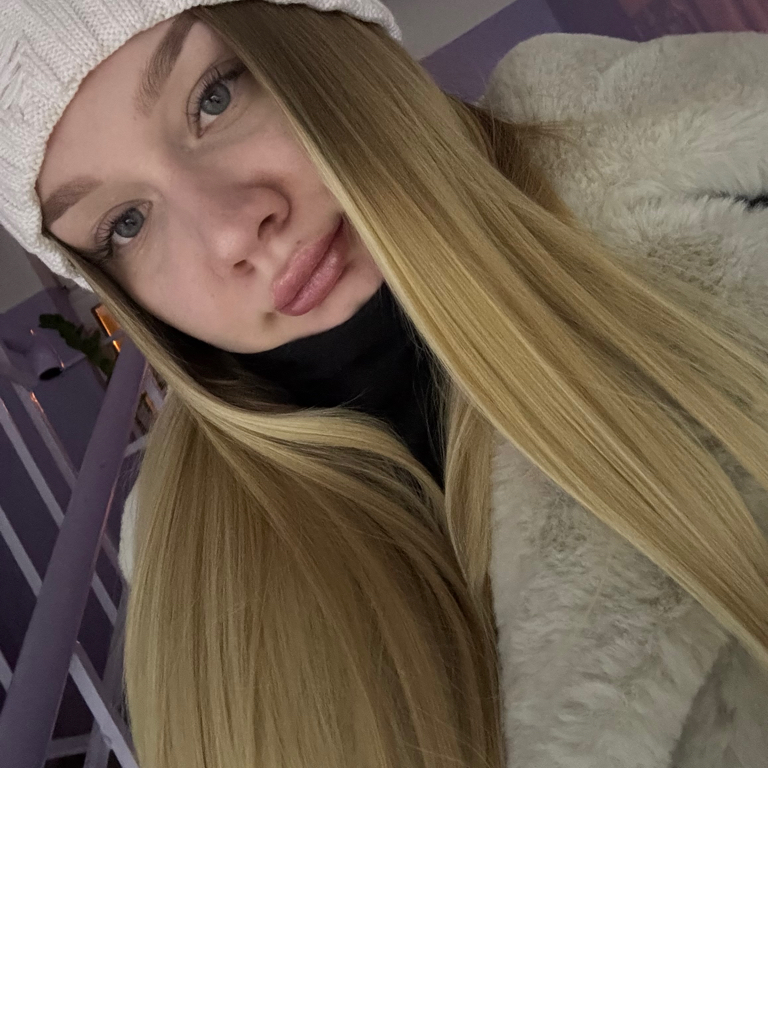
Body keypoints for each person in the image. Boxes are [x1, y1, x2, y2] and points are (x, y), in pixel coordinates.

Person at [3, 0, 768, 767]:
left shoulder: (712, 167)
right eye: (127, 223)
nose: (232, 230)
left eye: (215, 96)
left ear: (325, 35)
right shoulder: (189, 576)